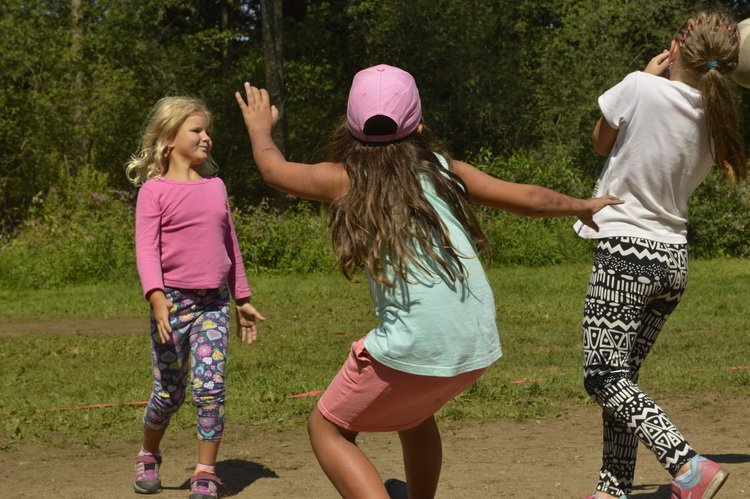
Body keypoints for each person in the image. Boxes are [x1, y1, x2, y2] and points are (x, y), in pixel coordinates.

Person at [235, 64, 621, 499]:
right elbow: (529, 199)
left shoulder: (346, 178)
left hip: (413, 344)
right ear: (419, 125)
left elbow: (274, 171)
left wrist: (259, 128)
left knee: (327, 427)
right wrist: (580, 204)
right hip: (474, 342)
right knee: (414, 415)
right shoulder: (442, 168)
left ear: (350, 128)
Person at [574, 10, 747, 499]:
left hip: (626, 255)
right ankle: (613, 488)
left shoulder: (639, 86)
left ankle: (688, 466)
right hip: (672, 259)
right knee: (622, 378)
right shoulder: (717, 117)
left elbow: (600, 142)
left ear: (674, 48)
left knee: (602, 377)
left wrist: (646, 75)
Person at [125, 96, 265, 499]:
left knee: (210, 387)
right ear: (169, 138)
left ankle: (205, 472)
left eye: (208, 131)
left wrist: (242, 298)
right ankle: (148, 454)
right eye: (197, 130)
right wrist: (155, 296)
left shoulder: (215, 187)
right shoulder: (154, 192)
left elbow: (230, 244)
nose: (206, 138)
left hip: (213, 305)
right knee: (169, 394)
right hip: (172, 304)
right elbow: (146, 249)